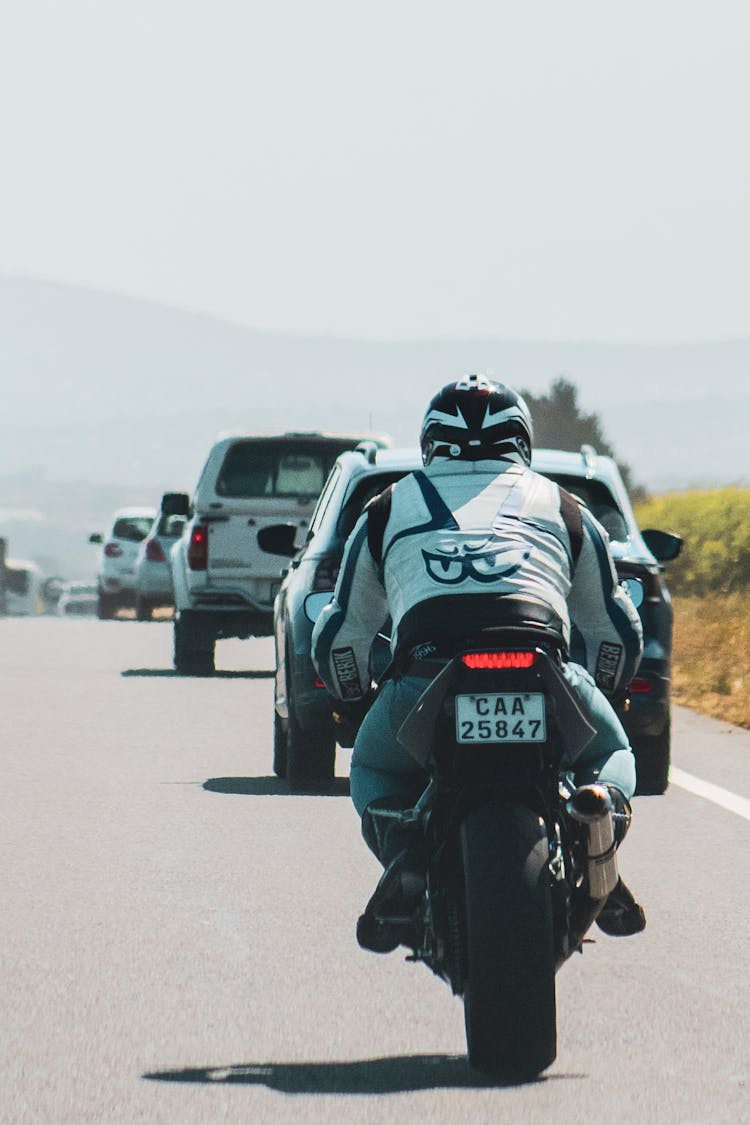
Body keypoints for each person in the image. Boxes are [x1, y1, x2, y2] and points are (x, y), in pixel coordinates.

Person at [311, 374, 646, 952]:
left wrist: (354, 698)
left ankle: (407, 849)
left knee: (374, 769)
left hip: (425, 669)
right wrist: (607, 694)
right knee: (609, 752)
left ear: (429, 443)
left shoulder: (386, 509)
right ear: (522, 441)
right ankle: (600, 823)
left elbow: (342, 632)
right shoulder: (565, 506)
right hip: (541, 660)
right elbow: (614, 626)